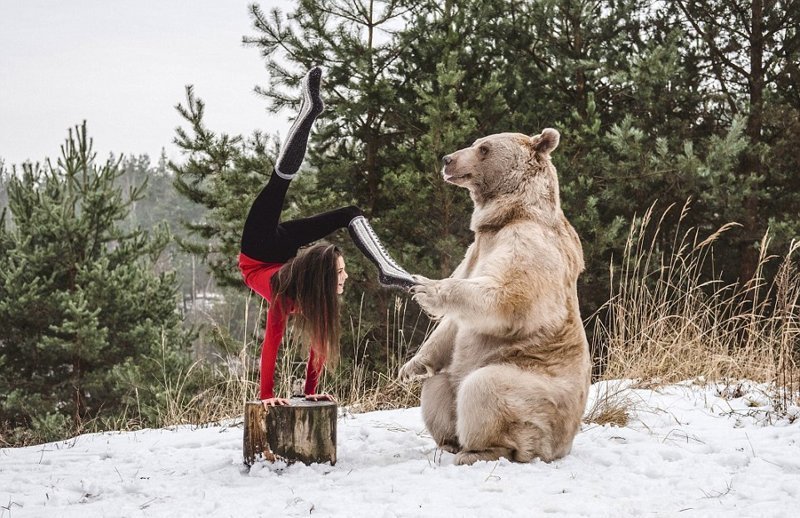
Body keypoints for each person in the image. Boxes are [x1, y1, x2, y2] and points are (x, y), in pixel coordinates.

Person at [239, 66, 414, 408]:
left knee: (350, 212)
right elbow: (271, 343)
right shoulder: (283, 291)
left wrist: (310, 391)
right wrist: (266, 397)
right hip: (256, 251)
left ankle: (386, 267)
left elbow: (318, 344)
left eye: (343, 271)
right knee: (280, 183)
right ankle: (309, 109)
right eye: (340, 272)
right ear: (320, 277)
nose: (345, 277)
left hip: (282, 251)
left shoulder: (319, 295)